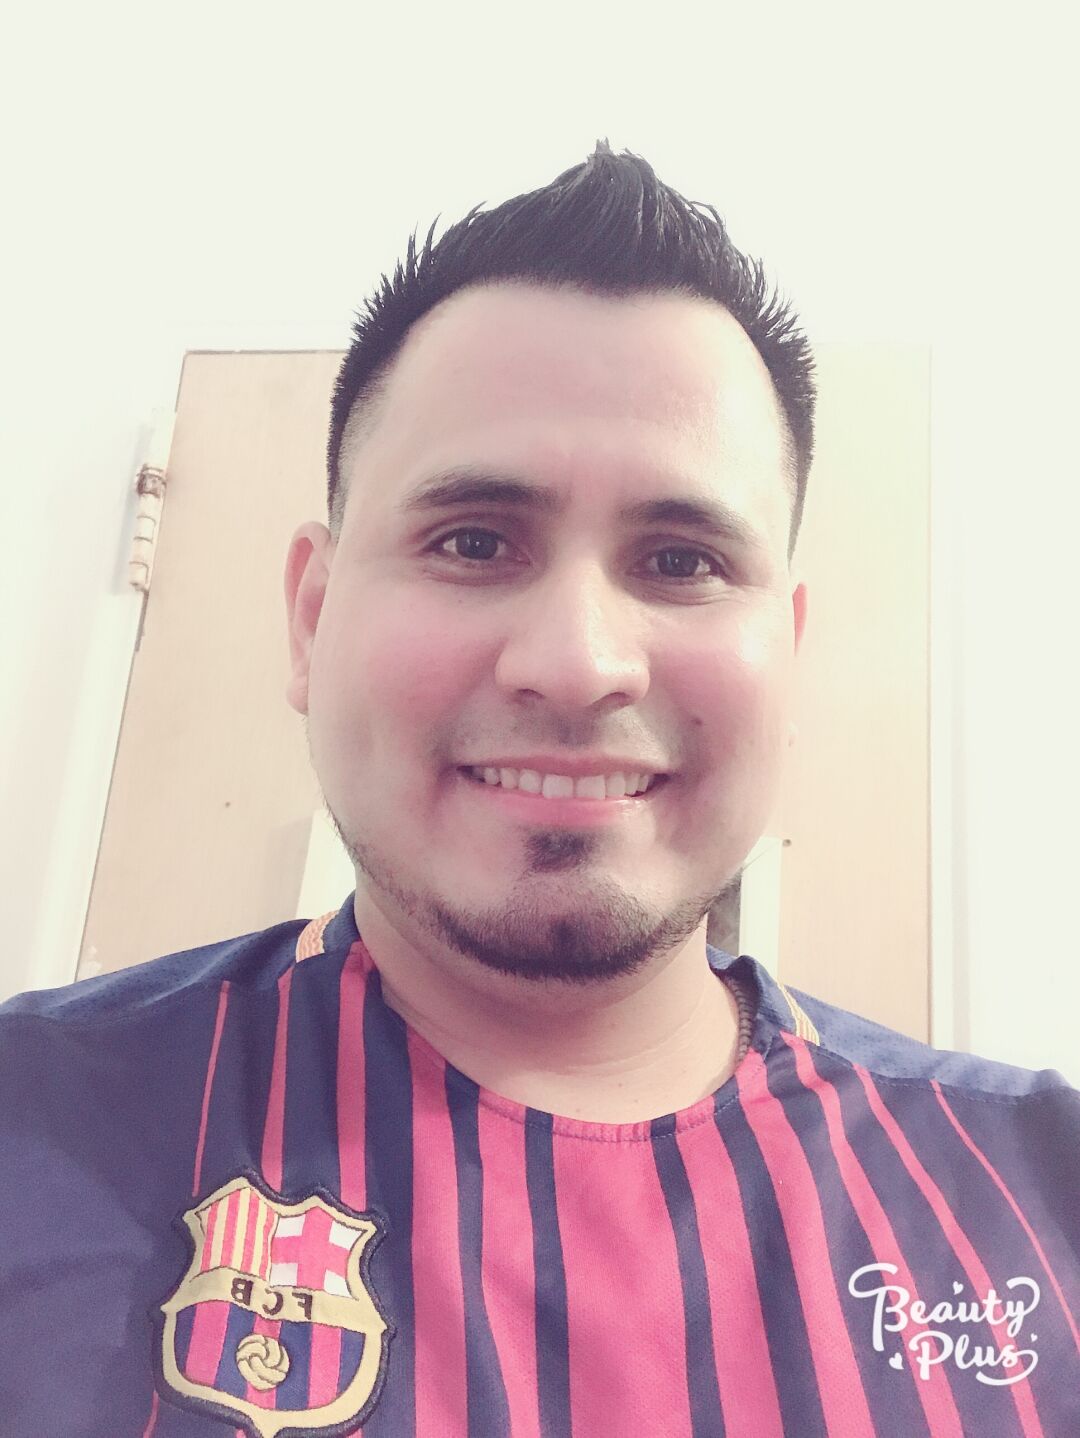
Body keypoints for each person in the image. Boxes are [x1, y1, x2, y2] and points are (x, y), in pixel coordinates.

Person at [1, 140, 1077, 1438]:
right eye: (472, 541)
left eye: (681, 559)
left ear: (787, 653)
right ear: (313, 616)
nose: (577, 662)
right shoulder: (28, 1127)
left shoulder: (1044, 1193)